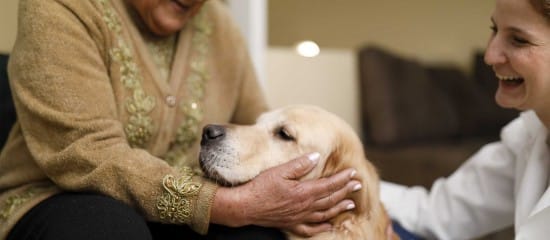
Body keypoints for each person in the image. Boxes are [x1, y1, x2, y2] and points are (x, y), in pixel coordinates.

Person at [0, 0, 362, 239]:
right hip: (55, 198)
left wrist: (372, 214)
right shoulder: (62, 7)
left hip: (190, 212)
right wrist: (231, 206)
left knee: (260, 235)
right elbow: (85, 152)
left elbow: (256, 132)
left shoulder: (221, 25)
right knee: (107, 229)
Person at [381, 0, 550, 239]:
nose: (490, 56)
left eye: (519, 40)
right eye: (494, 30)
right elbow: (434, 214)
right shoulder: (527, 138)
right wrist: (340, 184)